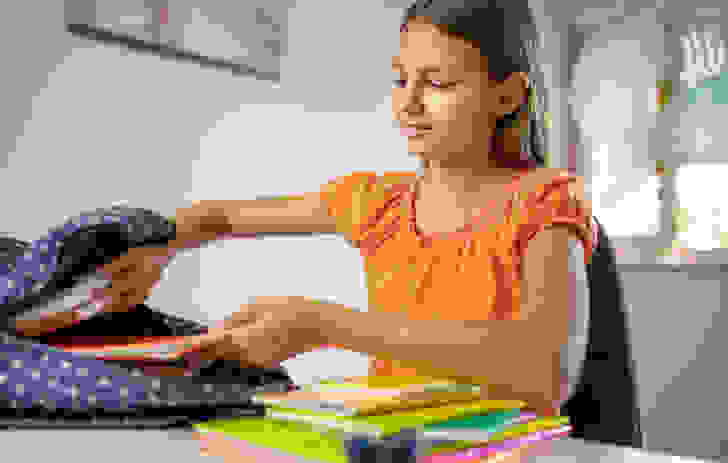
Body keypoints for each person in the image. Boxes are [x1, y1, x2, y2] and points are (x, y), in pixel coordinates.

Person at [90, 0, 594, 416]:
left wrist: (325, 324)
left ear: (507, 95)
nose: (409, 103)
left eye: (437, 83)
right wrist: (159, 243)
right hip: (398, 450)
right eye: (400, 80)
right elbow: (218, 217)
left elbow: (545, 373)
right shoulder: (379, 203)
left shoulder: (545, 202)